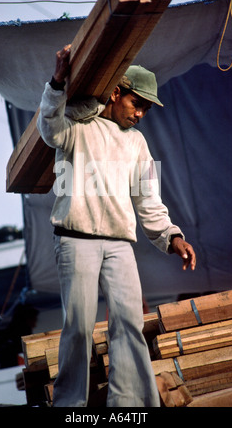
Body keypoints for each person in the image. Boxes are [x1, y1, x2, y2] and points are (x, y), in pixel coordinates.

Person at [37, 45, 196, 407]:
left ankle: (129, 406)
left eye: (146, 109)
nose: (140, 114)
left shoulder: (138, 143)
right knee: (78, 327)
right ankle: (69, 405)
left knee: (129, 324)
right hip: (75, 240)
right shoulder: (78, 127)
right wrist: (58, 81)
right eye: (136, 104)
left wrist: (173, 236)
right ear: (115, 93)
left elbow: (148, 200)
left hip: (120, 245)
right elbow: (48, 128)